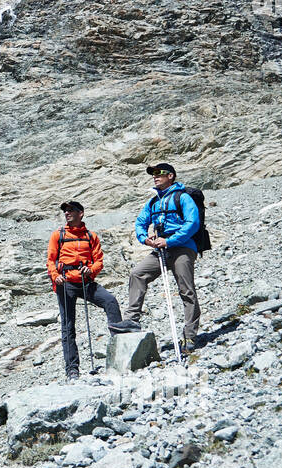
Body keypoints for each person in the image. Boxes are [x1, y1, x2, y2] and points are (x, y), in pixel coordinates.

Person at [111, 163, 202, 350]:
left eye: (159, 173)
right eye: (153, 173)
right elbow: (140, 222)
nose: (155, 176)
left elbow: (192, 223)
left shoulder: (182, 197)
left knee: (186, 290)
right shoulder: (153, 202)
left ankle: (190, 336)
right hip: (160, 248)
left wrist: (169, 241)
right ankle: (131, 320)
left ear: (171, 176)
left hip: (183, 247)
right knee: (137, 273)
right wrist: (146, 239)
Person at [47, 200, 124, 380]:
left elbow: (99, 261)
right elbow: (50, 260)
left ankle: (119, 350)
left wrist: (91, 270)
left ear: (81, 213)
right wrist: (55, 275)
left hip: (85, 281)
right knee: (68, 326)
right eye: (65, 211)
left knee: (110, 301)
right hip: (65, 282)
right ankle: (72, 369)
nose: (67, 213)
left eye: (71, 210)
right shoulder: (58, 235)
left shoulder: (91, 236)